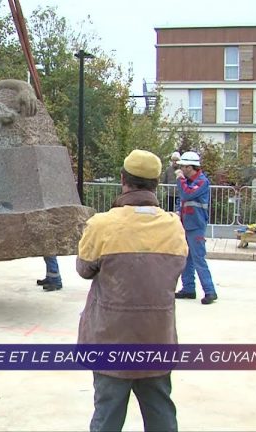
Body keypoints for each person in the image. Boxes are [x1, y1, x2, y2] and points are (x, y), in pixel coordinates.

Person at [77, 149, 188, 432]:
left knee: (107, 416)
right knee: (161, 414)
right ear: (156, 185)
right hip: (157, 340)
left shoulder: (102, 225)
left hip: (110, 340)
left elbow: (84, 269)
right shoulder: (174, 227)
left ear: (123, 179)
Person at [173, 151, 218, 305]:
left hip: (196, 226)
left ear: (190, 167)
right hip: (186, 224)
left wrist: (180, 179)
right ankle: (188, 289)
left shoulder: (201, 181)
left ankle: (210, 291)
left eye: (183, 166)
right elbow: (184, 200)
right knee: (186, 259)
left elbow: (187, 195)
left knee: (198, 259)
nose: (181, 169)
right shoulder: (189, 181)